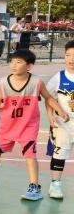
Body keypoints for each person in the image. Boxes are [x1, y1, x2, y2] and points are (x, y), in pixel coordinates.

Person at [0, 49, 67, 201]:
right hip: (7, 125)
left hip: (28, 126)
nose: (13, 65)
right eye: (12, 62)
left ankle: (34, 187)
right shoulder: (4, 82)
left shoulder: (36, 82)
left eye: (18, 62)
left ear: (29, 66)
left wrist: (60, 111)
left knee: (30, 155)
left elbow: (48, 98)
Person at [45, 41, 74, 200]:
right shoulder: (59, 77)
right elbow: (48, 98)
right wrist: (50, 116)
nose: (71, 59)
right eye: (68, 55)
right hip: (63, 123)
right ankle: (55, 185)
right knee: (60, 153)